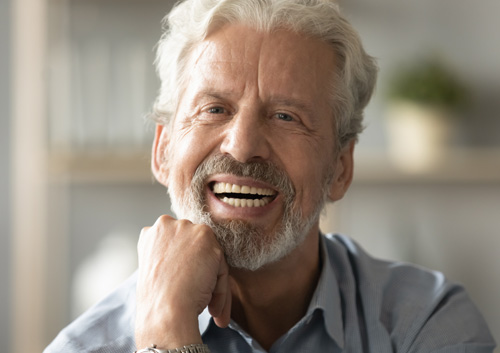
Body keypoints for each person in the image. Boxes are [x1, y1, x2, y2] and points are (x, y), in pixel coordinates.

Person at [45, 0, 496, 352]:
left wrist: (168, 342)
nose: (241, 146)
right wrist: (166, 327)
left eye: (285, 116)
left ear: (341, 167)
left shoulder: (427, 324)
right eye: (214, 109)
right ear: (163, 150)